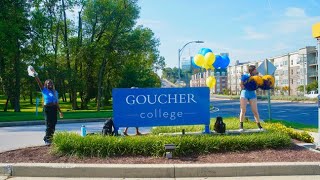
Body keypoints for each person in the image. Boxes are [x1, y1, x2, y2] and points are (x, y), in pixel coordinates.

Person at [30, 67, 63, 145]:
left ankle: (51, 138)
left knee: (54, 123)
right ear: (46, 84)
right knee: (49, 124)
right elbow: (38, 82)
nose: (49, 84)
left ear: (52, 84)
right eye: (48, 83)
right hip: (47, 108)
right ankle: (47, 139)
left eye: (51, 83)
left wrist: (60, 111)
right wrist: (35, 74)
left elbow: (56, 102)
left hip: (54, 108)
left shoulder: (55, 92)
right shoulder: (44, 90)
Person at [239, 65, 263, 131]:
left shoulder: (257, 77)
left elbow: (259, 84)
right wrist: (246, 87)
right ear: (252, 70)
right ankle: (241, 126)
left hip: (252, 94)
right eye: (255, 69)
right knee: (243, 110)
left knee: (255, 111)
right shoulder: (245, 76)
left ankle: (259, 126)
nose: (256, 70)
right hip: (245, 93)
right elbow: (241, 84)